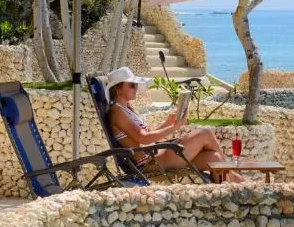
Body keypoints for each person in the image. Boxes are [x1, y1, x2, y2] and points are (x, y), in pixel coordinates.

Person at [104, 67, 244, 183]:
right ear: (117, 88)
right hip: (150, 163)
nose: (135, 88)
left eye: (135, 85)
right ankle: (236, 178)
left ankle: (227, 196)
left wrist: (167, 122)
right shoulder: (117, 113)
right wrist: (175, 126)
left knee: (215, 158)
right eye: (131, 85)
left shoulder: (125, 109)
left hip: (156, 154)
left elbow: (146, 136)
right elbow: (144, 138)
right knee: (205, 133)